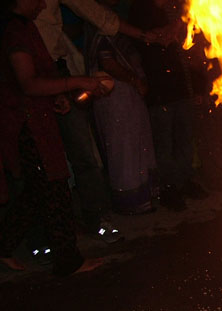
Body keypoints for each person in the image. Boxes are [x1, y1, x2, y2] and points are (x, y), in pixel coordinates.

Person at [0, 0, 108, 275]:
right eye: (37, 0)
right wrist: (77, 82)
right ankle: (68, 261)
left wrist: (57, 97)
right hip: (25, 125)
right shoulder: (14, 31)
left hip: (37, 117)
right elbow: (27, 83)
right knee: (54, 187)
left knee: (37, 192)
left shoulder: (23, 27)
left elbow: (37, 78)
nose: (42, 5)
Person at [34, 0, 154, 241]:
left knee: (84, 157)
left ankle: (95, 218)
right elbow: (99, 18)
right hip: (38, 85)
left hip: (60, 72)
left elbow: (96, 14)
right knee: (41, 163)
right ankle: (48, 234)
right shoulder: (16, 30)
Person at [130, 0, 208, 211]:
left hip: (182, 87)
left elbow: (190, 38)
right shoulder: (140, 10)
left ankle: (184, 181)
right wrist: (166, 32)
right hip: (158, 90)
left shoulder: (176, 8)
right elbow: (149, 40)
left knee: (185, 138)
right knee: (163, 143)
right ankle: (168, 187)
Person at [84, 0, 156, 215]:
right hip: (113, 97)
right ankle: (129, 202)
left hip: (129, 96)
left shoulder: (120, 20)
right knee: (123, 149)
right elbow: (107, 63)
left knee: (137, 145)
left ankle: (144, 199)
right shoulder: (99, 22)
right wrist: (135, 80)